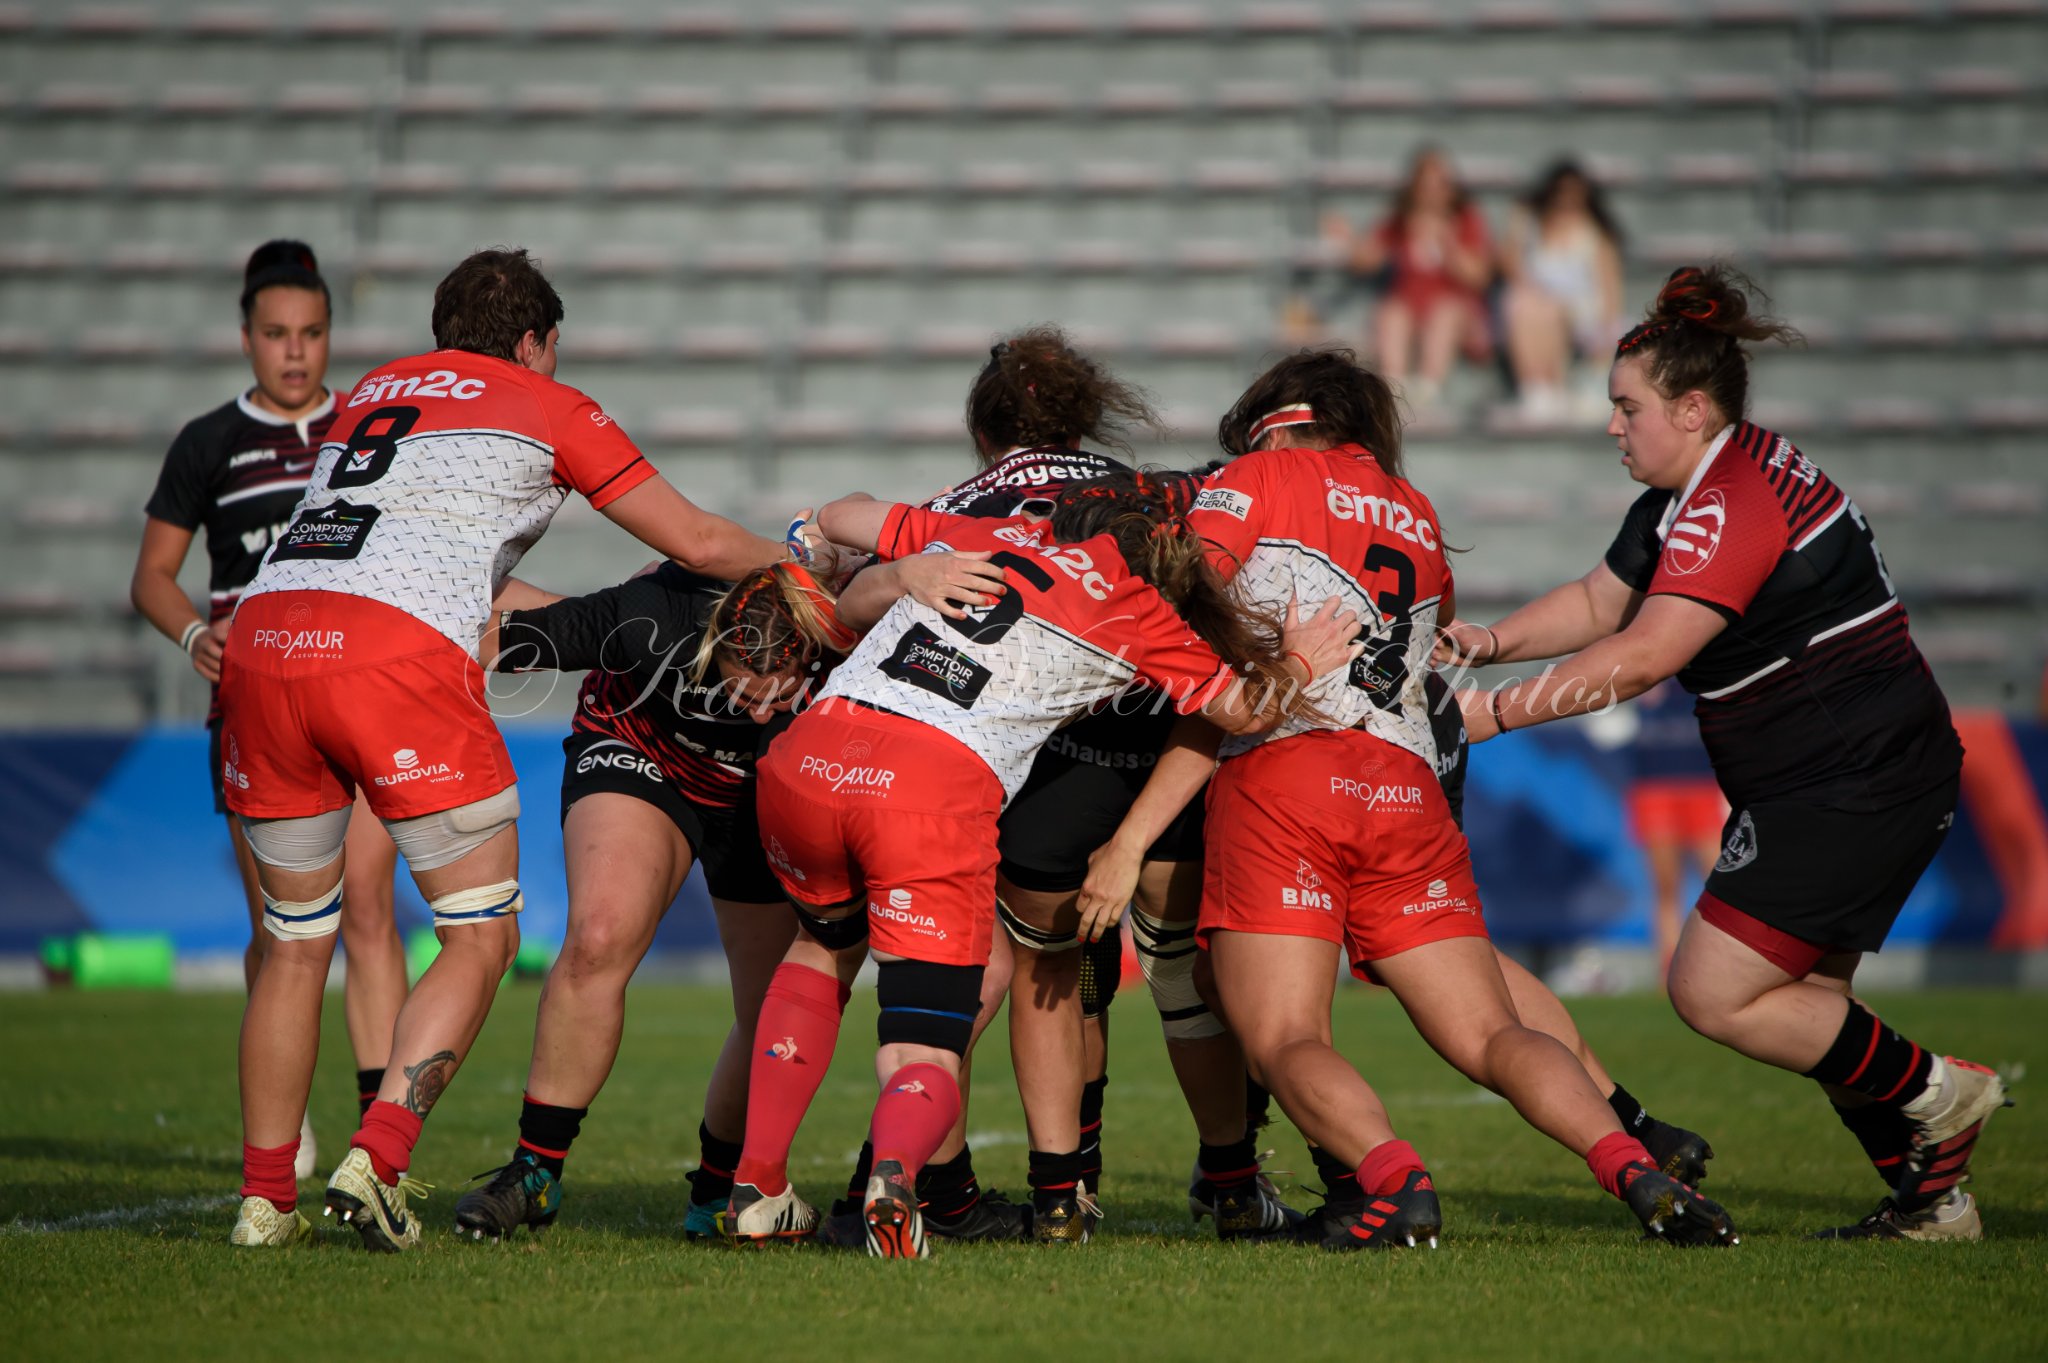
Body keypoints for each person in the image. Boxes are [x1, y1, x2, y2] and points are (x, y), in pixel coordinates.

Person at [220, 247, 819, 1251]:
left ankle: (263, 1201)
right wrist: (818, 565)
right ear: (537, 342)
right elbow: (703, 545)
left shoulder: (373, 387)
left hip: (266, 635)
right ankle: (379, 1156)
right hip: (392, 656)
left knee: (288, 944)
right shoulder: (549, 401)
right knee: (479, 935)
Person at [1438, 263, 2005, 1242]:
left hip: (1850, 776)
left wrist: (1485, 716)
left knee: (1710, 991)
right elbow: (1594, 602)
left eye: (1627, 408)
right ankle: (1931, 1201)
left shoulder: (1729, 498)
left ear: (1691, 407)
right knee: (1809, 1004)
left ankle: (1942, 1089)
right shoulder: (1688, 492)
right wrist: (1485, 640)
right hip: (1841, 771)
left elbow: (1643, 653)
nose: (1611, 426)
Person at [1178, 348, 1734, 1250]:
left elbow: (1183, 579)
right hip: (1406, 786)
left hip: (1288, 770)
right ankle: (1629, 1162)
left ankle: (1393, 1180)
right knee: (1489, 1032)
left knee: (1283, 1035)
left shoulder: (1257, 474)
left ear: (1279, 417)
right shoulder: (1416, 513)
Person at [724, 473, 1360, 1256]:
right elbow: (1242, 712)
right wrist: (1297, 660)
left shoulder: (995, 530)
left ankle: (758, 1185)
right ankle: (892, 1180)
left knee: (821, 949)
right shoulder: (1139, 606)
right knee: (922, 1035)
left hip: (808, 757)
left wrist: (810, 531)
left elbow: (848, 512)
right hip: (927, 790)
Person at [449, 551, 1006, 1242]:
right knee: (599, 935)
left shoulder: (855, 631)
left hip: (772, 791)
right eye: (741, 689)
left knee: (770, 1005)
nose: (759, 706)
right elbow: (495, 641)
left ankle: (719, 1189)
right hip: (645, 754)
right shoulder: (653, 617)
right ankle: (533, 1171)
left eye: (777, 693)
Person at [130, 241, 408, 1191]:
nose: (296, 353)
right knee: (286, 932)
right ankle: (280, 1133)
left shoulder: (370, 428)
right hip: (253, 709)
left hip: (363, 697)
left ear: (331, 334)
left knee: (370, 908)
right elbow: (154, 576)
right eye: (277, 335)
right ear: (246, 336)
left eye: (313, 334)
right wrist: (191, 638)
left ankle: (377, 1144)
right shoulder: (210, 443)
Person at [1326, 146, 1493, 411]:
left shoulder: (1465, 221)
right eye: (1426, 187)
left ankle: (1429, 385)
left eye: (1440, 186)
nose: (1433, 194)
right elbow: (1369, 259)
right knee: (1392, 311)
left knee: (1445, 312)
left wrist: (1448, 245)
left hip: (1456, 311)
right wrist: (1348, 240)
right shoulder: (1400, 223)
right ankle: (1394, 385)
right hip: (1411, 307)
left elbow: (1479, 276)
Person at [1500, 158, 1626, 421]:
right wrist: (1520, 220)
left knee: (1548, 309)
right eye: (1562, 191)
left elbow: (1609, 288)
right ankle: (1536, 388)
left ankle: (1552, 385)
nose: (1568, 199)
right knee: (1522, 303)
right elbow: (1510, 264)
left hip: (1582, 314)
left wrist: (1606, 332)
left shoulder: (1595, 233)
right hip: (1536, 305)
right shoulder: (1531, 224)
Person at [1622, 679, 1726, 974]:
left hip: (1704, 785)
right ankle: (1669, 969)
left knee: (1719, 884)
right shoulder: (1645, 666)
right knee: (1666, 887)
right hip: (1655, 788)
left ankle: (1717, 967)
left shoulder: (1709, 662)